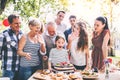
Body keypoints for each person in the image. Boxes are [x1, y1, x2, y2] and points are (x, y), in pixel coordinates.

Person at [0, 14, 23, 80]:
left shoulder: (22, 34)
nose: (18, 25)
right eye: (16, 23)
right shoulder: (4, 35)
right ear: (10, 23)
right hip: (8, 68)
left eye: (19, 23)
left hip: (19, 67)